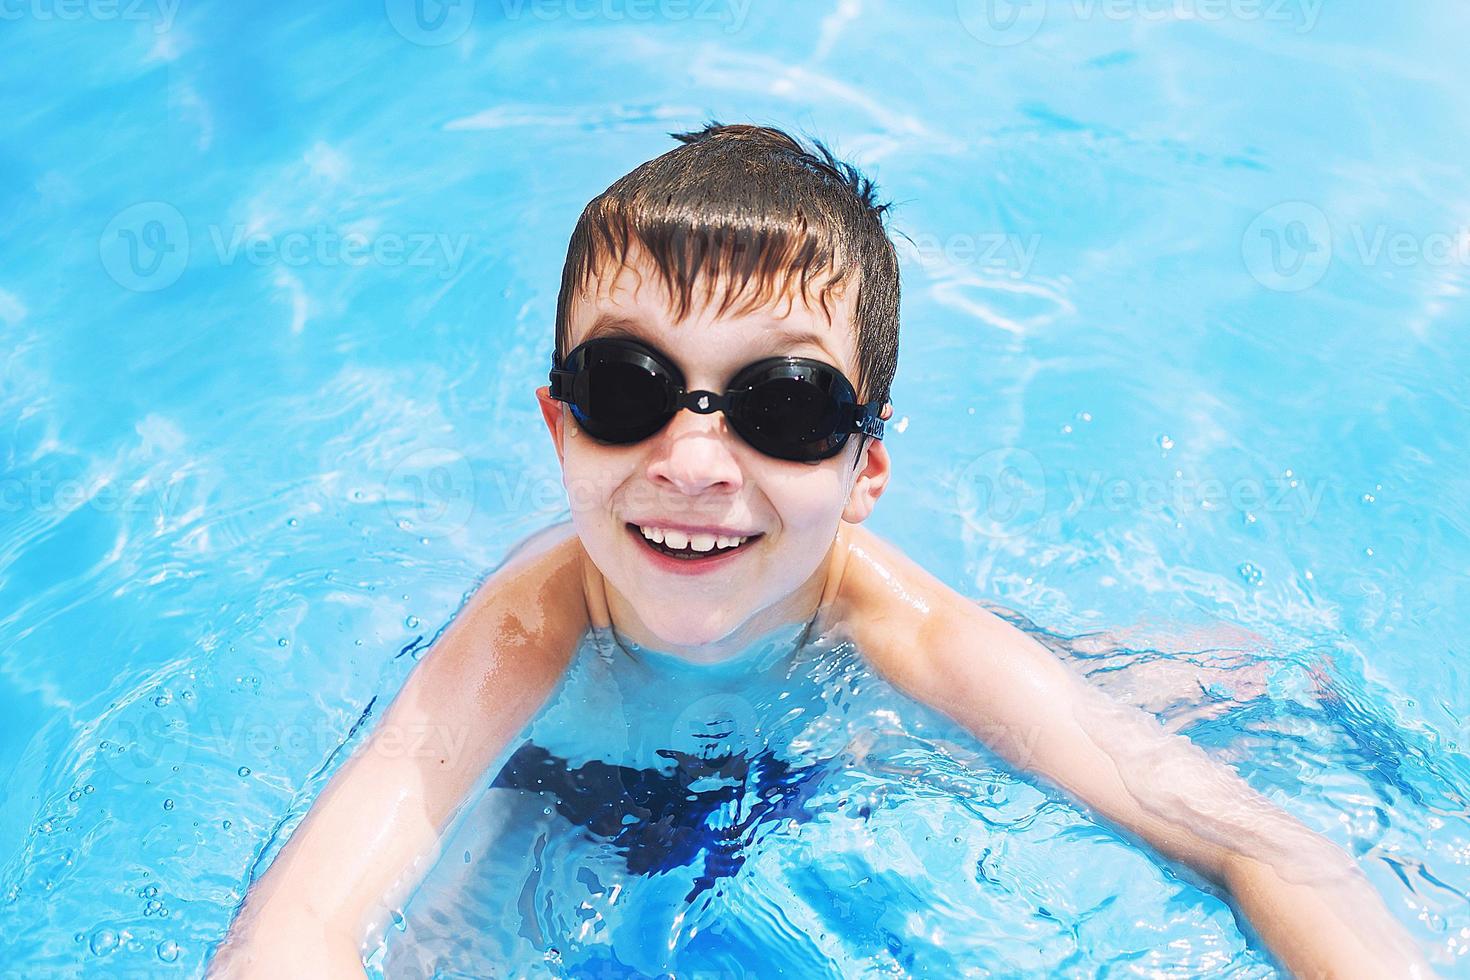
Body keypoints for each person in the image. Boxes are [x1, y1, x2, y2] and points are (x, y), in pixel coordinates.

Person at [209, 123, 1433, 978]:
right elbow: (299, 920)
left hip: (840, 733)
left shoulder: (897, 623)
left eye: (783, 405)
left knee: (1107, 720)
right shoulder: (525, 630)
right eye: (631, 386)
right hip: (563, 785)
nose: (692, 460)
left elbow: (1258, 841)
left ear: (867, 471)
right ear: (557, 421)